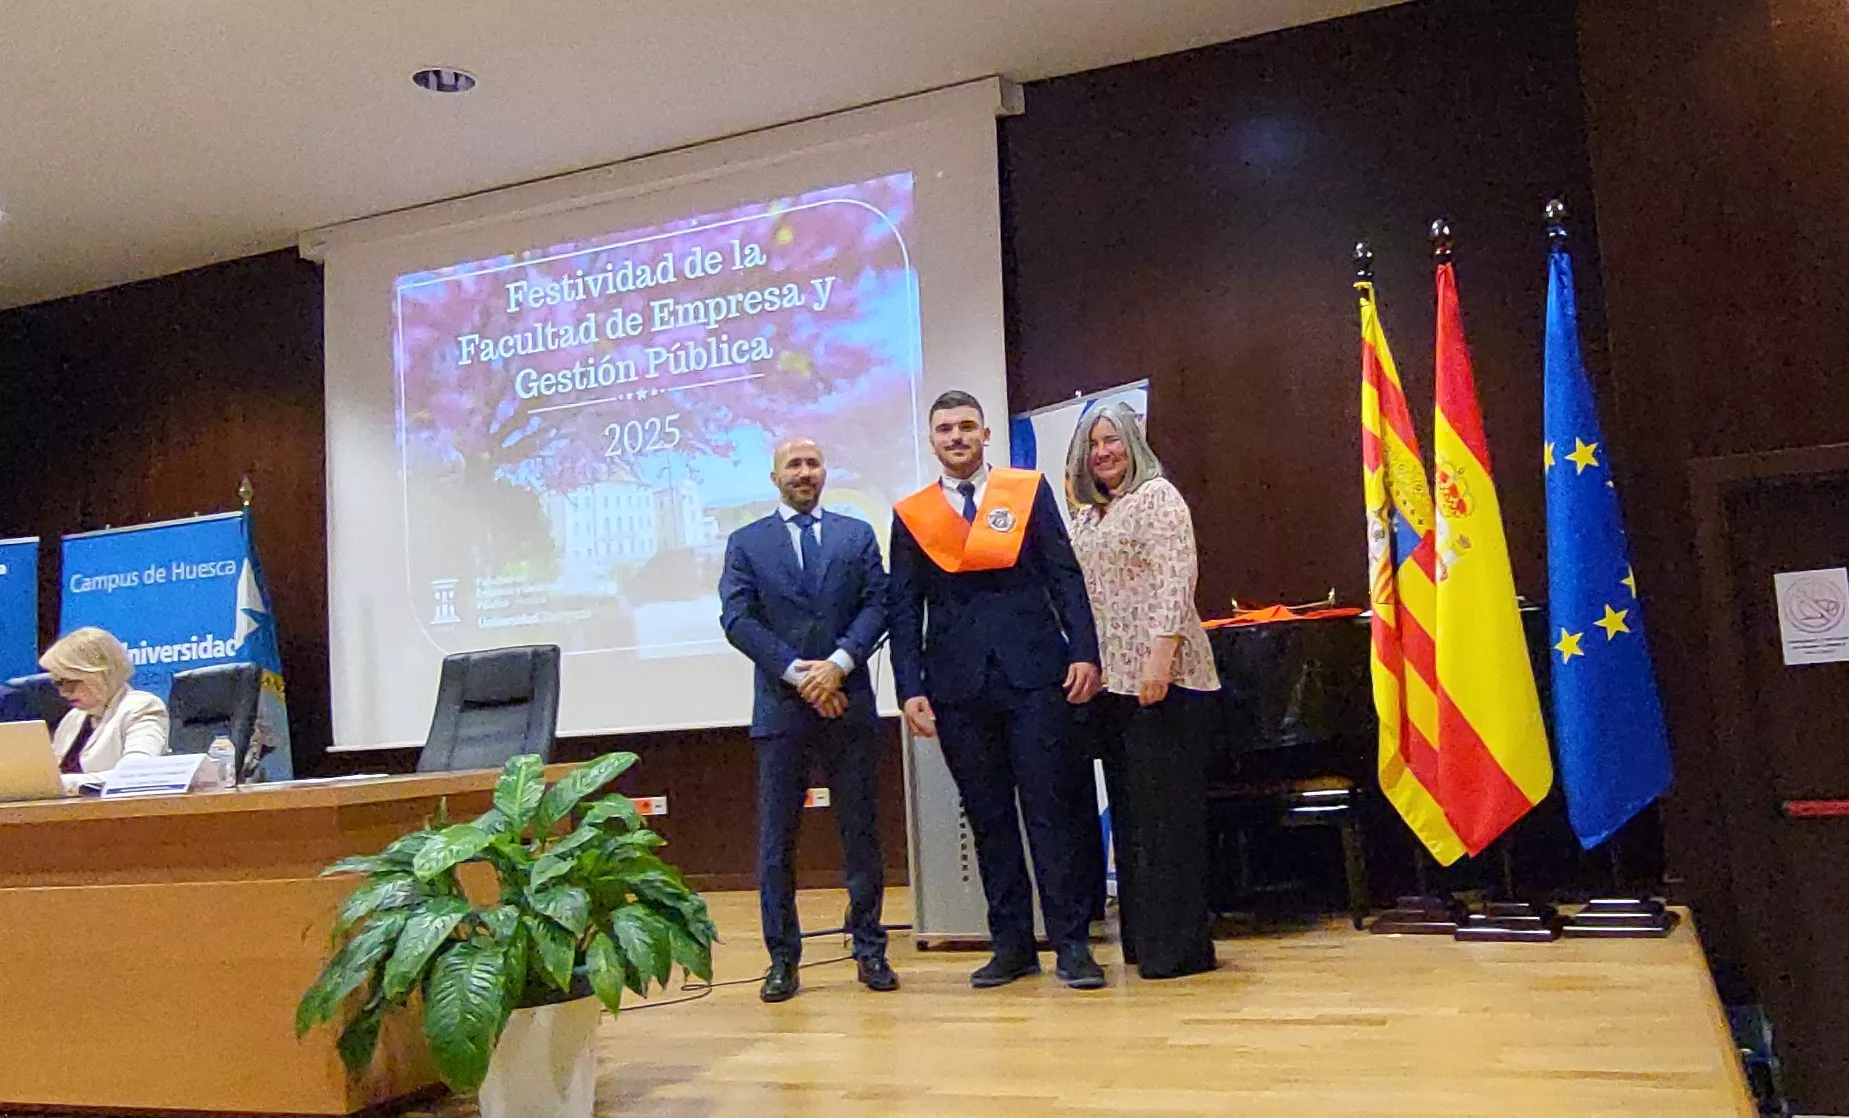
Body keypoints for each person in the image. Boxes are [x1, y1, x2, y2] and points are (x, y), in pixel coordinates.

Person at [888, 390, 1107, 989]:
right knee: (989, 821)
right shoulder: (913, 515)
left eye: (966, 426)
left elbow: (1065, 575)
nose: (956, 437)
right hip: (957, 688)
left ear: (985, 435)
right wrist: (909, 687)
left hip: (1035, 678)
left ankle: (1072, 947)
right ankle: (1011, 947)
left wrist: (1084, 651)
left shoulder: (1025, 492)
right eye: (945, 429)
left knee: (1052, 814)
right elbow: (904, 608)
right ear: (932, 441)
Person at [719, 435, 898, 1002]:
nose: (804, 472)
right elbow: (737, 619)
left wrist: (838, 666)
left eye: (813, 463)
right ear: (775, 477)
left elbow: (879, 604)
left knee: (861, 834)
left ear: (825, 472)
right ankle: (781, 960)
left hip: (849, 702)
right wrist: (801, 676)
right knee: (777, 842)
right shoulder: (746, 543)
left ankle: (869, 949)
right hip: (781, 707)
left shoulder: (856, 534)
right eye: (793, 465)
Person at [1066, 403, 1220, 979]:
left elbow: (1177, 579)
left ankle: (1179, 950)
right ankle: (1143, 942)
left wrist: (1160, 657)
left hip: (1165, 680)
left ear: (1133, 443)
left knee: (1167, 820)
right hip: (1113, 687)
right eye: (1092, 444)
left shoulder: (1159, 497)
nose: (1102, 452)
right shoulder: (1086, 517)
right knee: (1132, 820)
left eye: (1112, 440)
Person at [40, 626, 170, 792]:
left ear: (101, 675)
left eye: (70, 682)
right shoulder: (73, 718)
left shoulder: (141, 707)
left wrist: (66, 782)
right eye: (58, 683)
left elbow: (136, 774)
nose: (64, 693)